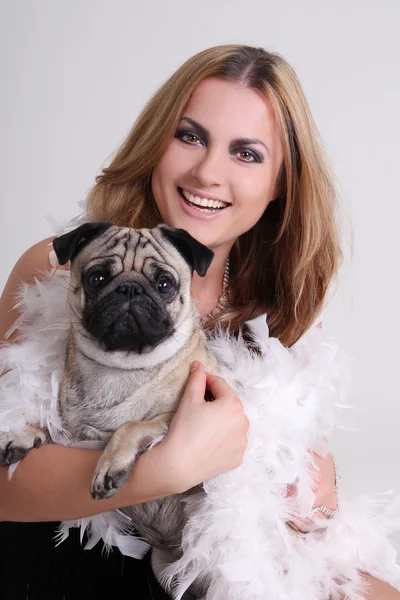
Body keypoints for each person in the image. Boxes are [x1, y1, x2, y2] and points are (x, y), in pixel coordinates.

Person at [0, 45, 398, 599]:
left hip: (216, 569)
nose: (208, 172)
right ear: (155, 142)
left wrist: (316, 500)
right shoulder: (61, 265)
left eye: (247, 154)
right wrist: (163, 469)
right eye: (189, 136)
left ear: (281, 181)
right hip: (74, 562)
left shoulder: (279, 316)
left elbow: (306, 512)